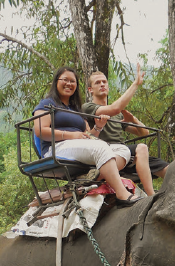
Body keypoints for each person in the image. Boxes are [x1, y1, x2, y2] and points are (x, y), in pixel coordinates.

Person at [31, 65, 137, 205]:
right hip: (56, 148)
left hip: (78, 146)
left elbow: (88, 136)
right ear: (56, 81)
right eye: (65, 80)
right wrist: (70, 135)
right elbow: (40, 130)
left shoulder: (76, 109)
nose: (69, 84)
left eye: (72, 81)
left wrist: (98, 128)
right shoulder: (47, 104)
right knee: (100, 147)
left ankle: (92, 177)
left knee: (122, 150)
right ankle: (122, 194)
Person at [81, 64, 159, 197]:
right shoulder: (88, 107)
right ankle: (100, 174)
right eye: (97, 83)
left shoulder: (117, 115)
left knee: (143, 148)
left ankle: (151, 195)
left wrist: (133, 119)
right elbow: (114, 109)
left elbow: (144, 133)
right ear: (90, 90)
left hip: (122, 151)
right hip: (103, 151)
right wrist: (135, 84)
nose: (102, 85)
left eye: (104, 82)